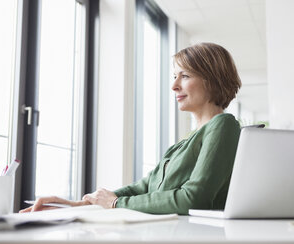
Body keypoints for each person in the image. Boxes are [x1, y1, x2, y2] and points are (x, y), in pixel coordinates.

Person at [20, 42, 242, 215]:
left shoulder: (223, 125)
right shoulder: (188, 140)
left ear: (213, 80)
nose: (174, 85)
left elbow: (193, 198)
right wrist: (84, 203)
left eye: (185, 76)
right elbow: (146, 186)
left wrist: (116, 203)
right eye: (175, 76)